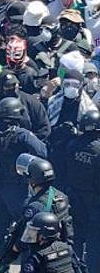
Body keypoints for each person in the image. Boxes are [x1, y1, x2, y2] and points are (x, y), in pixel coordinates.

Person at [0, 98, 48, 259]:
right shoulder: (23, 135)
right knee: (26, 226)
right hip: (17, 188)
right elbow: (42, 152)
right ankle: (27, 262)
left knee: (0, 227)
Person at [0, 154, 77, 270]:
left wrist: (8, 257)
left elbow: (24, 237)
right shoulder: (62, 197)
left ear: (33, 181)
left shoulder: (35, 206)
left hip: (40, 254)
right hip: (63, 252)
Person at [64, 110, 100, 271]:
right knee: (95, 239)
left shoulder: (72, 145)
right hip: (94, 201)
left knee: (76, 236)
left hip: (75, 197)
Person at [5, 212, 83, 273]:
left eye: (34, 232)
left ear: (44, 235)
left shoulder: (36, 258)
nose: (31, 235)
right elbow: (79, 268)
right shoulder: (68, 248)